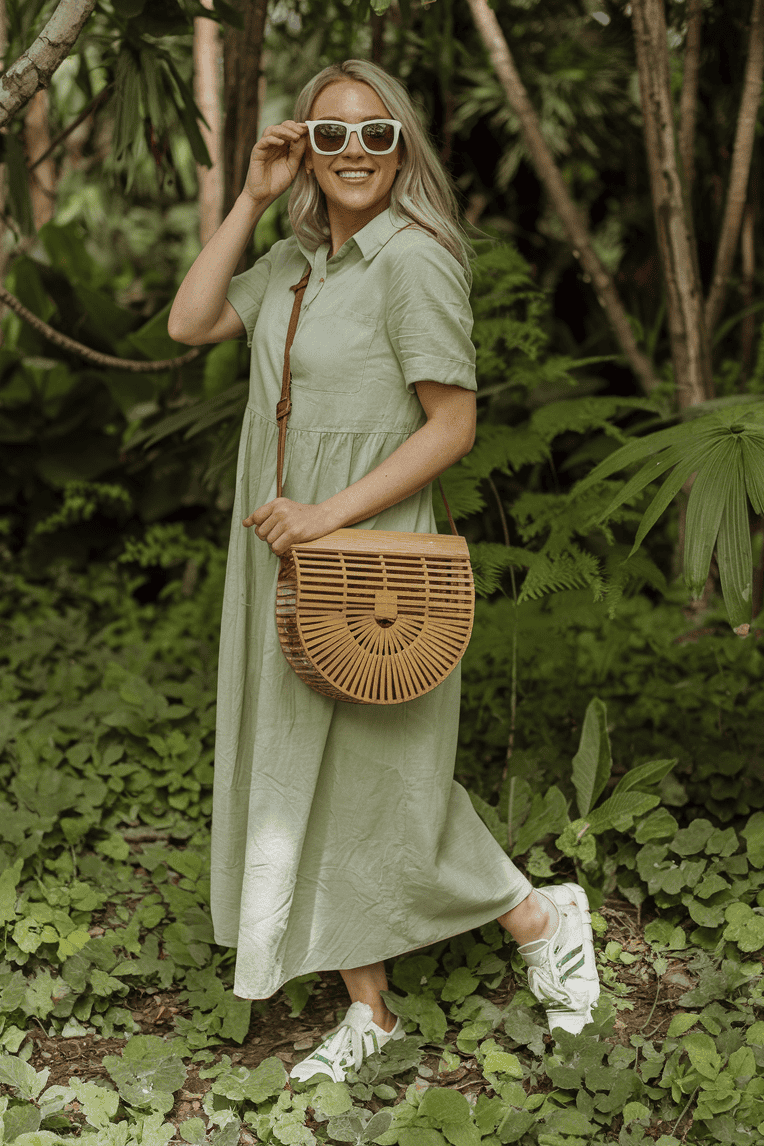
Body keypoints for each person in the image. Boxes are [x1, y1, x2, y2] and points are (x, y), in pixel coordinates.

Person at [168, 58, 600, 1084]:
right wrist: (252, 194)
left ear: (401, 147)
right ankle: (370, 1011)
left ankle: (538, 916)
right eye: (329, 135)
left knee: (381, 775)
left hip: (364, 546)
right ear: (304, 150)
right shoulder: (291, 260)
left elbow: (452, 424)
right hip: (278, 542)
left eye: (374, 134)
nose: (353, 153)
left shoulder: (415, 259)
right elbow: (188, 324)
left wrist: (326, 515)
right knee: (302, 770)